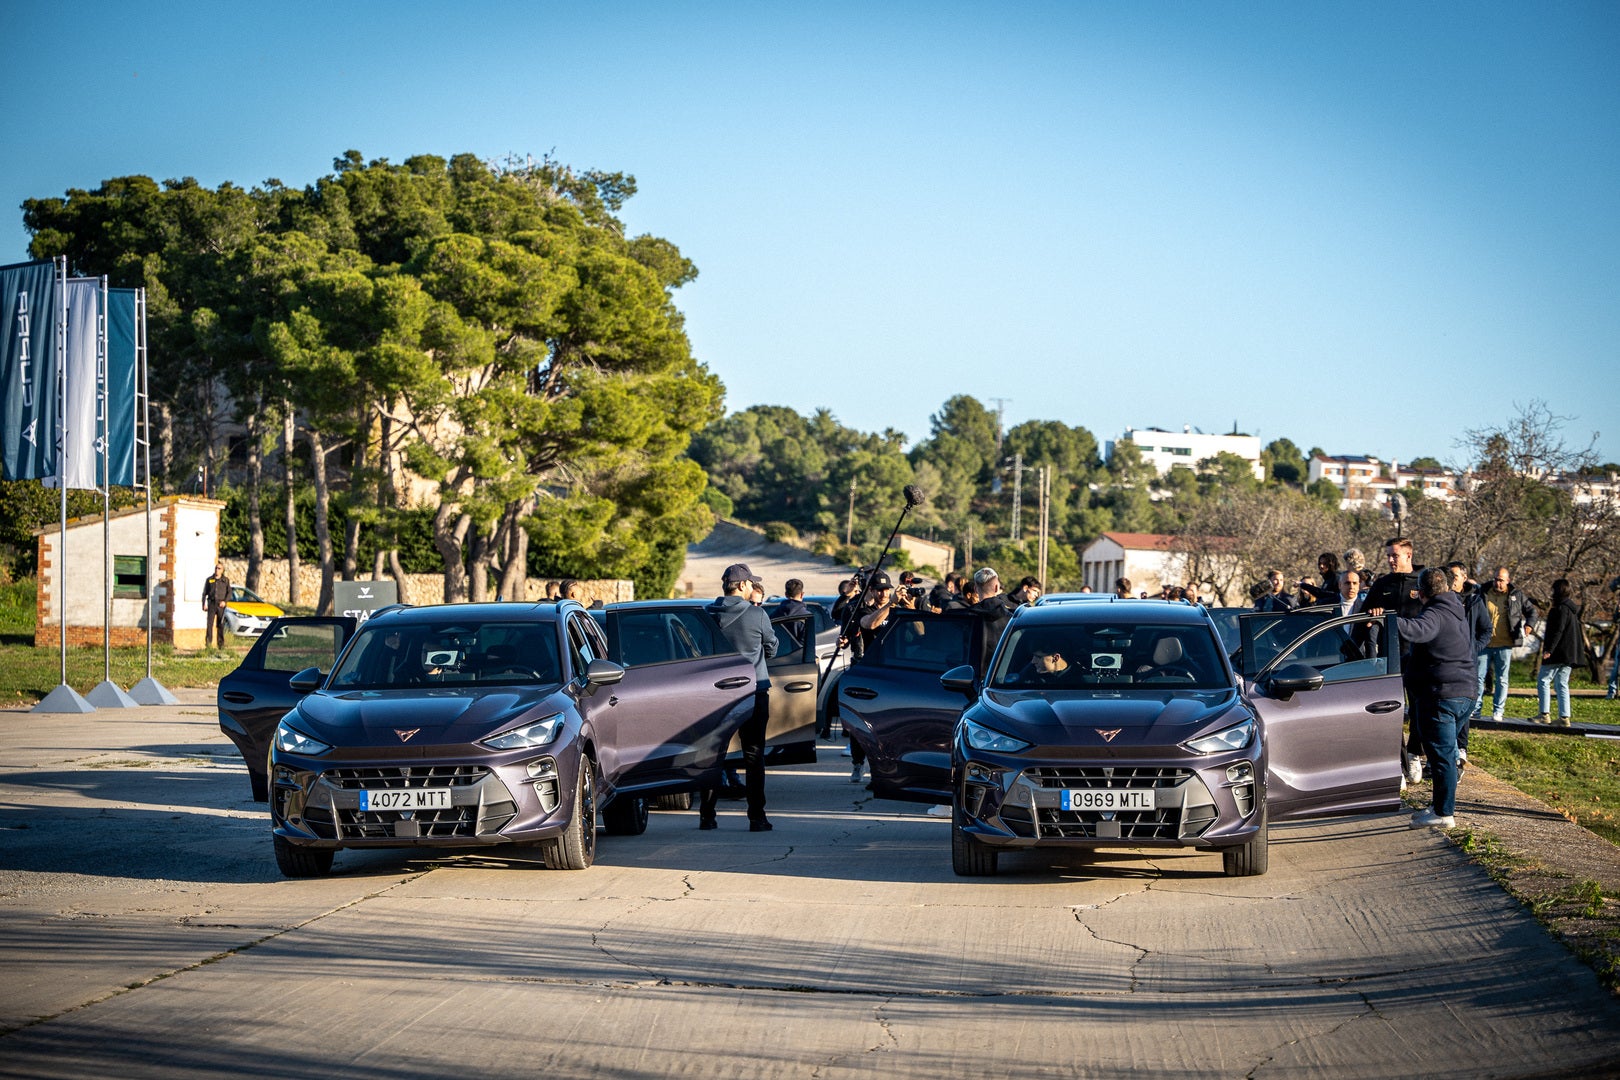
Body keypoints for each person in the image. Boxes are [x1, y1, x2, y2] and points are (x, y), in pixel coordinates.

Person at [1392, 567, 1474, 829]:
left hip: (1442, 695)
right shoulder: (1456, 610)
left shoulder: (1435, 613)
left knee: (1442, 757)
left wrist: (1388, 620)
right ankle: (1440, 805)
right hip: (1465, 692)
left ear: (1422, 592)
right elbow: (1434, 649)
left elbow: (1418, 630)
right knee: (1445, 754)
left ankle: (1443, 813)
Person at [699, 563, 779, 831]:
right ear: (743, 586)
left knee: (713, 755)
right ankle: (757, 816)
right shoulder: (757, 616)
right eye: (750, 584)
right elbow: (772, 647)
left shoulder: (706, 615)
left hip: (715, 694)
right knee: (754, 756)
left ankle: (707, 816)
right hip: (753, 691)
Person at [1364, 536, 1426, 784]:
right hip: (1389, 658)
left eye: (1395, 555)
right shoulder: (1382, 584)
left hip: (1419, 656)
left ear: (1408, 556)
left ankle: (1414, 753)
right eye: (1388, 555)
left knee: (1419, 709)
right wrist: (1372, 614)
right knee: (1393, 712)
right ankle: (1397, 765)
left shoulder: (1422, 582)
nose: (1390, 559)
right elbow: (1364, 617)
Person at [1478, 566, 1535, 722]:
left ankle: (1498, 711)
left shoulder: (1516, 595)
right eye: (1496, 579)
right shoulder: (1483, 592)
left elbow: (1531, 611)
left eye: (1501, 580)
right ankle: (1476, 710)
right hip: (1484, 644)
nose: (1498, 583)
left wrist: (1529, 624)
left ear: (1508, 581)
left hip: (1505, 644)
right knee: (1478, 677)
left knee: (1502, 679)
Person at [1448, 562, 1492, 762]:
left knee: (1465, 705)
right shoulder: (1442, 599)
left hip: (1467, 663)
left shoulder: (1475, 601)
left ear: (1464, 578)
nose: (1451, 580)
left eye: (1454, 576)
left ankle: (1461, 747)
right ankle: (1448, 748)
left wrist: (1473, 648)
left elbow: (1486, 630)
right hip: (1446, 662)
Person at [1536, 578, 1582, 727]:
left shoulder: (1561, 609)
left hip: (1559, 652)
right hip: (1569, 653)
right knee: (1562, 684)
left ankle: (1544, 714)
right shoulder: (1572, 609)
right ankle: (1564, 717)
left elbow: (1559, 630)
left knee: (1543, 679)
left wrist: (1549, 649)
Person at [969, 567, 1014, 673]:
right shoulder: (1012, 620)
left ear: (975, 589)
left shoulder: (965, 618)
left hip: (969, 677)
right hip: (1002, 677)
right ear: (997, 588)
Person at [203, 562, 231, 649]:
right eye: (216, 568)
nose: (217, 570)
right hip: (211, 604)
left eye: (219, 568)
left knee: (220, 625)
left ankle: (221, 645)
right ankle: (208, 644)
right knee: (209, 624)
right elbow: (204, 593)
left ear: (222, 570)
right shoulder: (209, 580)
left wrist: (225, 602)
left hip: (220, 605)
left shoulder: (225, 580)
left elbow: (229, 592)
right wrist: (203, 604)